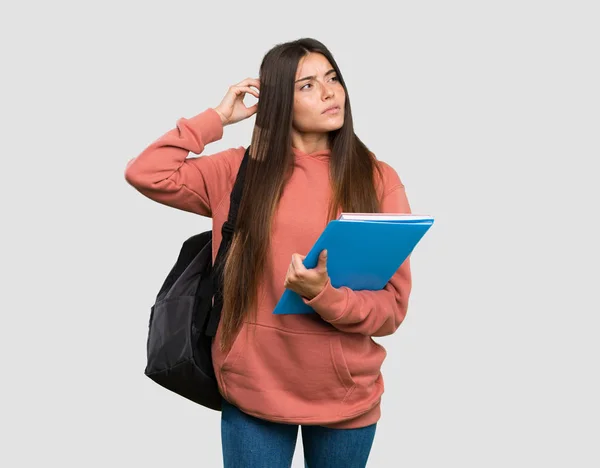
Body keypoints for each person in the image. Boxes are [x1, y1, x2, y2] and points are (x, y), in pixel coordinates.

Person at [124, 37, 412, 468]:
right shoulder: (238, 171)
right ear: (278, 100)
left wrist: (325, 296)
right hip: (252, 389)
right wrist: (217, 118)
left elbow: (392, 309)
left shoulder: (377, 179)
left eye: (332, 78)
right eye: (308, 85)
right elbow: (146, 172)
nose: (330, 92)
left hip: (345, 394)